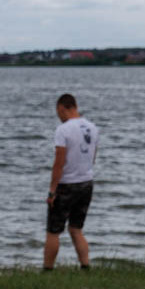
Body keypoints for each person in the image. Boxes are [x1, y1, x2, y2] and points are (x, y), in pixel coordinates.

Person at [44, 93, 98, 271]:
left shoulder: (63, 130)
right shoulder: (93, 127)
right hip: (87, 183)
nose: (58, 116)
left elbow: (59, 163)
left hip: (67, 184)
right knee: (76, 229)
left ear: (62, 109)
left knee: (53, 231)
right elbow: (93, 158)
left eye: (58, 112)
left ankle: (47, 270)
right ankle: (85, 267)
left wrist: (52, 191)